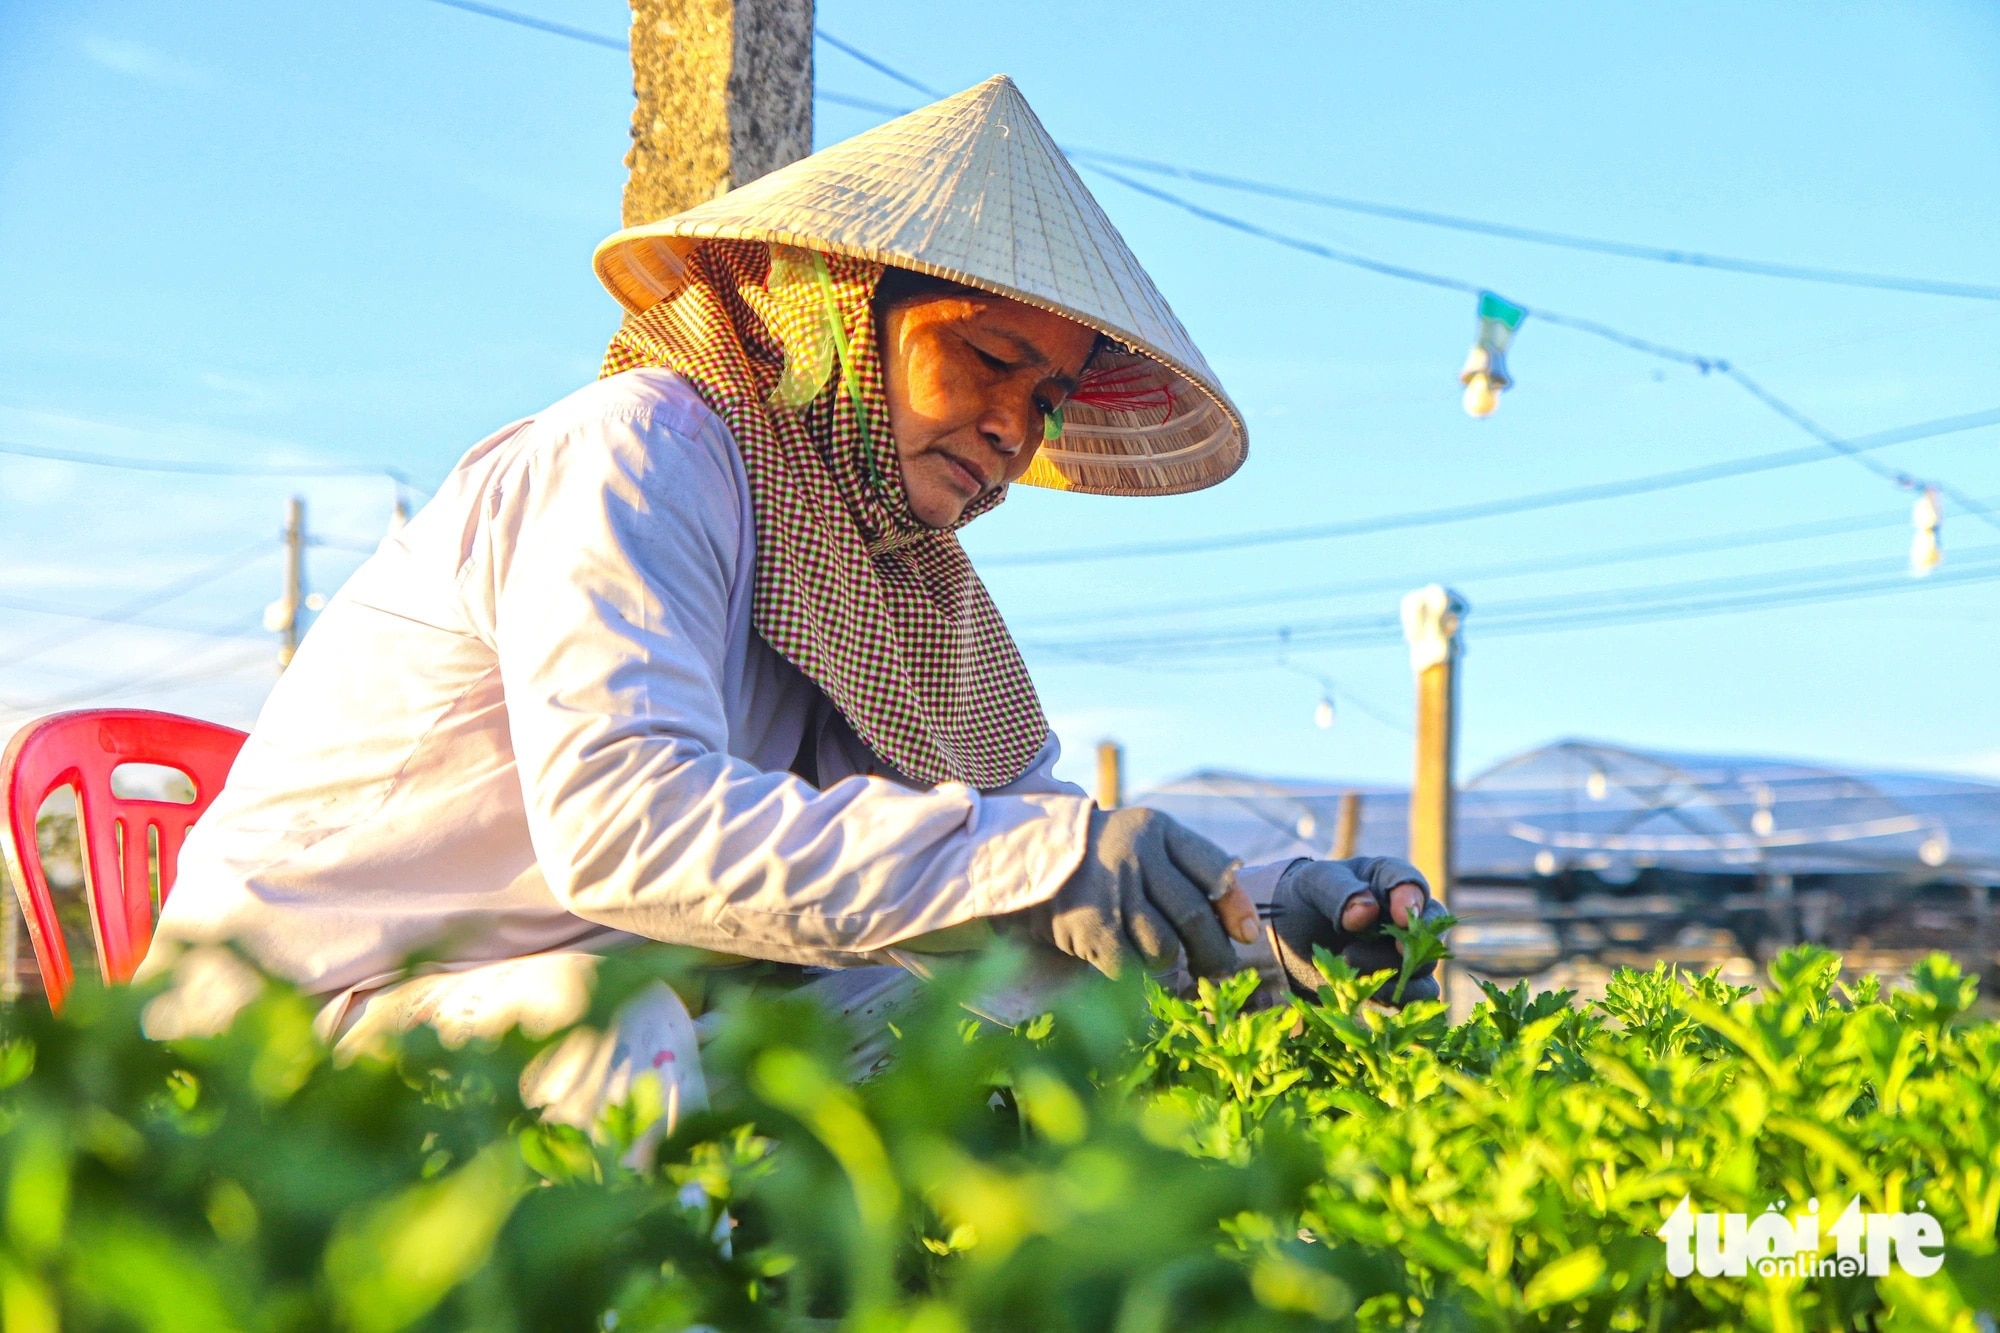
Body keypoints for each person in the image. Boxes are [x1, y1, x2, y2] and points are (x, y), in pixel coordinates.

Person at [140, 77, 1443, 1140]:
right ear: (837, 306)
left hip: (601, 999)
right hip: (291, 1029)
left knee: (999, 1007)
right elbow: (627, 830)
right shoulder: (640, 456)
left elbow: (1036, 844)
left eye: (1043, 398)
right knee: (605, 1021)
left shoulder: (903, 582)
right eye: (988, 357)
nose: (1012, 426)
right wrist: (1037, 867)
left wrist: (1268, 912)